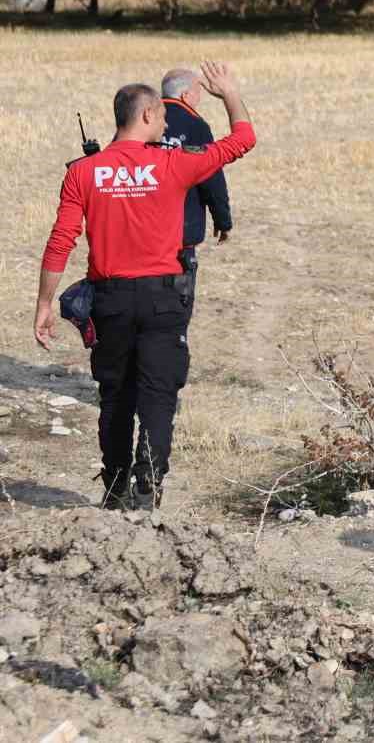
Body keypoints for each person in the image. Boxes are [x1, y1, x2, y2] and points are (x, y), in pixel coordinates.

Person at [35, 62, 256, 509]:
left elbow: (61, 240)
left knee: (116, 395)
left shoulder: (84, 172)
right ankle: (149, 484)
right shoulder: (173, 164)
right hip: (164, 298)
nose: (167, 123)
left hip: (110, 301)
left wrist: (43, 304)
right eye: (162, 115)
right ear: (149, 115)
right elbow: (243, 140)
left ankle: (115, 486)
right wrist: (230, 93)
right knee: (158, 392)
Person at [160, 68, 233, 294]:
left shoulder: (141, 119)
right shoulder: (195, 125)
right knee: (176, 306)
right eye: (198, 91)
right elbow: (211, 177)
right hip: (181, 235)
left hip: (138, 235)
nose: (200, 97)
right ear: (185, 96)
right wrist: (223, 220)